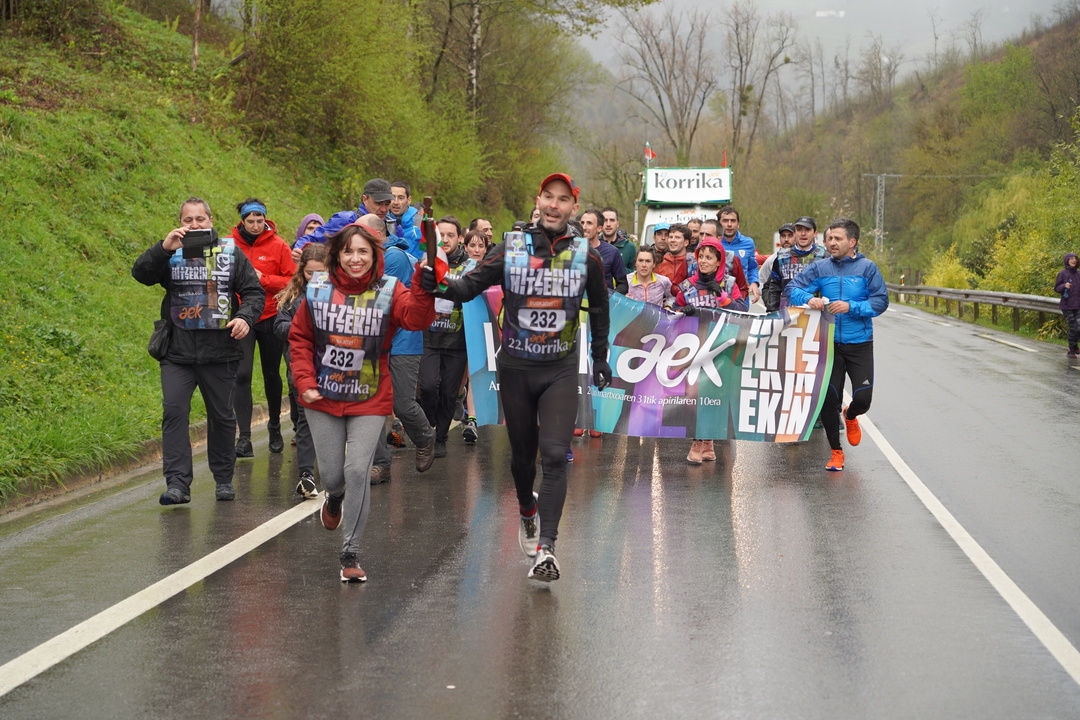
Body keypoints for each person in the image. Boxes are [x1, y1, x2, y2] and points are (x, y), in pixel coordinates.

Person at [422, 173, 612, 582]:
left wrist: (600, 357)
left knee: (555, 454)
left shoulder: (587, 256)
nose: (554, 205)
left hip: (560, 368)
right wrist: (437, 284)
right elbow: (468, 287)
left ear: (574, 208)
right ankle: (527, 508)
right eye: (548, 196)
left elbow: (599, 307)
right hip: (517, 367)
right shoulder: (511, 247)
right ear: (538, 200)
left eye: (563, 199)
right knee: (523, 458)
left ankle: (547, 548)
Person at [290, 214, 437, 582]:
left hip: (369, 396)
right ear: (337, 255)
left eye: (363, 252)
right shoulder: (319, 288)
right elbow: (300, 338)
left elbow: (416, 319)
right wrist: (305, 380)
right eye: (348, 252)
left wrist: (425, 285)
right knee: (333, 476)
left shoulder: (390, 289)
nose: (355, 259)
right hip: (322, 395)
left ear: (375, 255)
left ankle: (350, 552)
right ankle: (334, 497)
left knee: (358, 470)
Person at [132, 197, 264, 505]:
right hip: (177, 352)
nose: (194, 225)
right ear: (180, 223)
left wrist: (245, 318)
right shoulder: (171, 253)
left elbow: (254, 292)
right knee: (174, 412)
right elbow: (141, 274)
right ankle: (178, 484)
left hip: (221, 351)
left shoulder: (230, 253)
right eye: (187, 220)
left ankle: (223, 479)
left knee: (221, 416)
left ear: (211, 221)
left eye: (200, 219)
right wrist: (163, 248)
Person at [786, 218, 889, 472]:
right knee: (829, 400)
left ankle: (851, 415)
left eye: (837, 238)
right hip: (828, 344)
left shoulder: (867, 268)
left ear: (852, 242)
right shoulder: (820, 267)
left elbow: (880, 301)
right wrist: (809, 298)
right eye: (829, 238)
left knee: (863, 399)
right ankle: (836, 452)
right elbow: (792, 288)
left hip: (859, 343)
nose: (831, 243)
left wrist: (851, 307)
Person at [368, 198, 437, 485]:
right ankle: (381, 464)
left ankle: (425, 436)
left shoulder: (393, 257)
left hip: (403, 339)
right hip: (374, 338)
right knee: (372, 405)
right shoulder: (367, 257)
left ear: (377, 234)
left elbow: (377, 298)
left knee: (402, 403)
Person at [228, 198, 297, 459]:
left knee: (271, 374)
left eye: (260, 220)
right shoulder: (229, 244)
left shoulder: (278, 245)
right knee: (242, 374)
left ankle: (275, 427)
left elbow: (292, 281)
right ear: (242, 221)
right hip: (242, 318)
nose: (256, 226)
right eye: (251, 221)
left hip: (270, 315)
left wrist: (263, 279)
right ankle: (244, 438)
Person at [669, 237, 744, 465]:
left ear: (719, 261)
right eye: (700, 256)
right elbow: (673, 312)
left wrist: (722, 296)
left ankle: (708, 441)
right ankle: (696, 441)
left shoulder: (729, 284)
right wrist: (683, 310)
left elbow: (743, 311)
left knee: (714, 395)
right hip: (694, 348)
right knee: (693, 395)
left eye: (709, 257)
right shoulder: (687, 285)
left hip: (721, 348)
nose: (703, 261)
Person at [274, 243, 328, 499]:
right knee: (306, 420)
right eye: (309, 273)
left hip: (335, 370)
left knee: (335, 421)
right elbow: (279, 327)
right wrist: (302, 327)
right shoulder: (293, 297)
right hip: (302, 368)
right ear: (301, 271)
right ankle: (306, 474)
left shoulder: (342, 294)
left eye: (321, 273)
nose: (315, 278)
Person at [419, 216, 474, 458]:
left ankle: (440, 437)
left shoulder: (471, 266)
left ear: (460, 238)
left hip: (457, 341)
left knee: (449, 393)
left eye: (450, 235)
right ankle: (429, 427)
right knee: (429, 386)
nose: (445, 239)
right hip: (428, 337)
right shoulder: (426, 261)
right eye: (440, 235)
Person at [458, 229, 492, 444]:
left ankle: (472, 419)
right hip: (455, 328)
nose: (476, 250)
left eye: (481, 246)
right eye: (472, 246)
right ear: (465, 247)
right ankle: (457, 398)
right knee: (459, 377)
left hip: (478, 327)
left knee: (474, 373)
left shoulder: (491, 269)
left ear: (486, 249)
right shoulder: (458, 269)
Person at [762, 217, 826, 313]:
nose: (803, 233)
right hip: (787, 313)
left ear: (815, 234)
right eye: (799, 230)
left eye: (807, 230)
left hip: (815, 314)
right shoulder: (781, 257)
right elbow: (774, 288)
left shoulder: (824, 257)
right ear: (795, 234)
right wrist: (772, 312)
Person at [717, 205, 761, 305]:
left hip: (740, 299)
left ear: (738, 224)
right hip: (717, 298)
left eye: (733, 221)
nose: (729, 224)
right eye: (725, 221)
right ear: (718, 224)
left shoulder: (748, 243)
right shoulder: (712, 243)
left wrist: (754, 283)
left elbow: (752, 267)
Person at [581, 209, 628, 294]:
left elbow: (623, 284)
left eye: (589, 223)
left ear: (599, 228)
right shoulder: (571, 249)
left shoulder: (612, 252)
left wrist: (611, 298)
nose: (584, 227)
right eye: (582, 223)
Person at [702, 217, 750, 300]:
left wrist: (731, 302)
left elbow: (742, 289)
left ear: (719, 239)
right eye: (701, 234)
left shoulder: (732, 259)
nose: (703, 238)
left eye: (708, 235)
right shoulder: (690, 260)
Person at [389, 180, 423, 258]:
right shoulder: (382, 220)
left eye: (401, 198)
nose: (396, 202)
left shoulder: (421, 222)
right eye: (392, 197)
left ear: (408, 200)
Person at [1056, 252, 1080, 359]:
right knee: (1073, 327)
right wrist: (1064, 286)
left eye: (1075, 258)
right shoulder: (1062, 274)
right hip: (1067, 306)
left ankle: (1074, 346)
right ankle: (1071, 351)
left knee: (1079, 327)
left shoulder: (1079, 274)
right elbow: (1056, 288)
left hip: (1078, 305)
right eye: (1071, 259)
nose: (1074, 260)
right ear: (1067, 261)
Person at [601, 206, 636, 273]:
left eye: (612, 220)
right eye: (605, 220)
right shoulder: (593, 246)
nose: (608, 224)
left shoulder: (629, 247)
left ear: (617, 224)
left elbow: (635, 273)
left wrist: (618, 269)